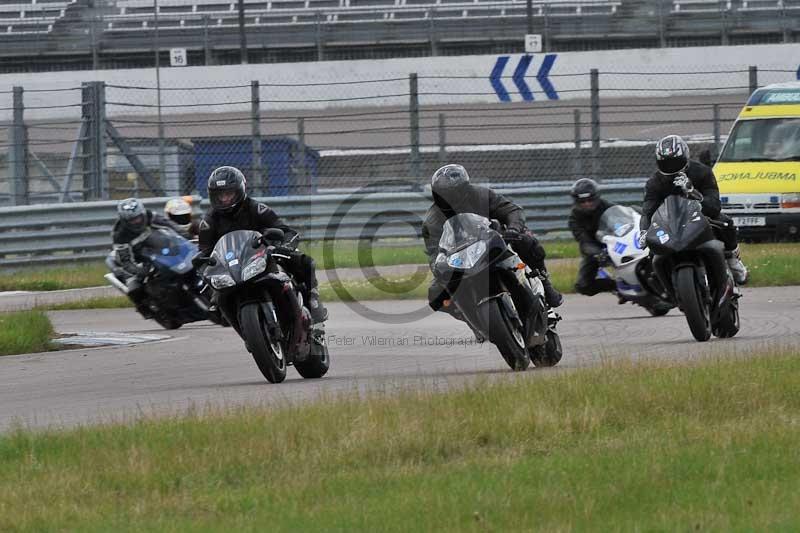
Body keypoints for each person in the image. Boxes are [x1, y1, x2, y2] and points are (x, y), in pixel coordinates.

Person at [422, 164, 563, 330]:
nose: (449, 198)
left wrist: (512, 229)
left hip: (494, 241)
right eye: (444, 194)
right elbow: (433, 252)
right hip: (461, 258)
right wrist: (439, 266)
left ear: (465, 189)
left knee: (527, 241)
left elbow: (512, 210)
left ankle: (544, 283)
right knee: (435, 294)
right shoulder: (432, 221)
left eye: (454, 193)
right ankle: (471, 319)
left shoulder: (481, 195)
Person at [197, 166, 327, 323]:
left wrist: (283, 246)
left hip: (262, 256)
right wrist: (203, 267)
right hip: (233, 267)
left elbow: (286, 231)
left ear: (240, 190)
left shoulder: (256, 209)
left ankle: (312, 300)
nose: (224, 199)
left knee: (305, 262)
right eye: (220, 195)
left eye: (228, 194)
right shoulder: (209, 222)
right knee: (215, 304)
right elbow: (205, 253)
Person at [638, 135, 748, 284]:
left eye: (675, 162)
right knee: (653, 252)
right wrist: (644, 231)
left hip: (700, 215)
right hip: (670, 223)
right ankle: (663, 288)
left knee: (726, 223)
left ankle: (733, 259)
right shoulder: (655, 183)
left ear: (685, 157)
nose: (671, 167)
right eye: (666, 163)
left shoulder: (702, 172)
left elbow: (714, 205)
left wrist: (692, 191)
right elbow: (648, 210)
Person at [107, 197, 179, 318]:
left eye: (138, 218)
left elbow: (171, 226)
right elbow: (126, 261)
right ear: (124, 220)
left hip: (157, 249)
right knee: (135, 287)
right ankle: (142, 306)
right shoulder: (119, 234)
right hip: (137, 259)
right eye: (132, 220)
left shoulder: (150, 215)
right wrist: (139, 271)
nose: (137, 221)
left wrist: (185, 236)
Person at [567, 178, 619, 297]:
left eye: (590, 200)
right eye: (582, 201)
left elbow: (625, 220)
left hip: (616, 244)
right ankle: (617, 285)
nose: (587, 204)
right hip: (595, 250)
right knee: (583, 286)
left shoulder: (608, 207)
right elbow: (583, 240)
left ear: (596, 197)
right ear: (576, 202)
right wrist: (597, 253)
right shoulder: (574, 218)